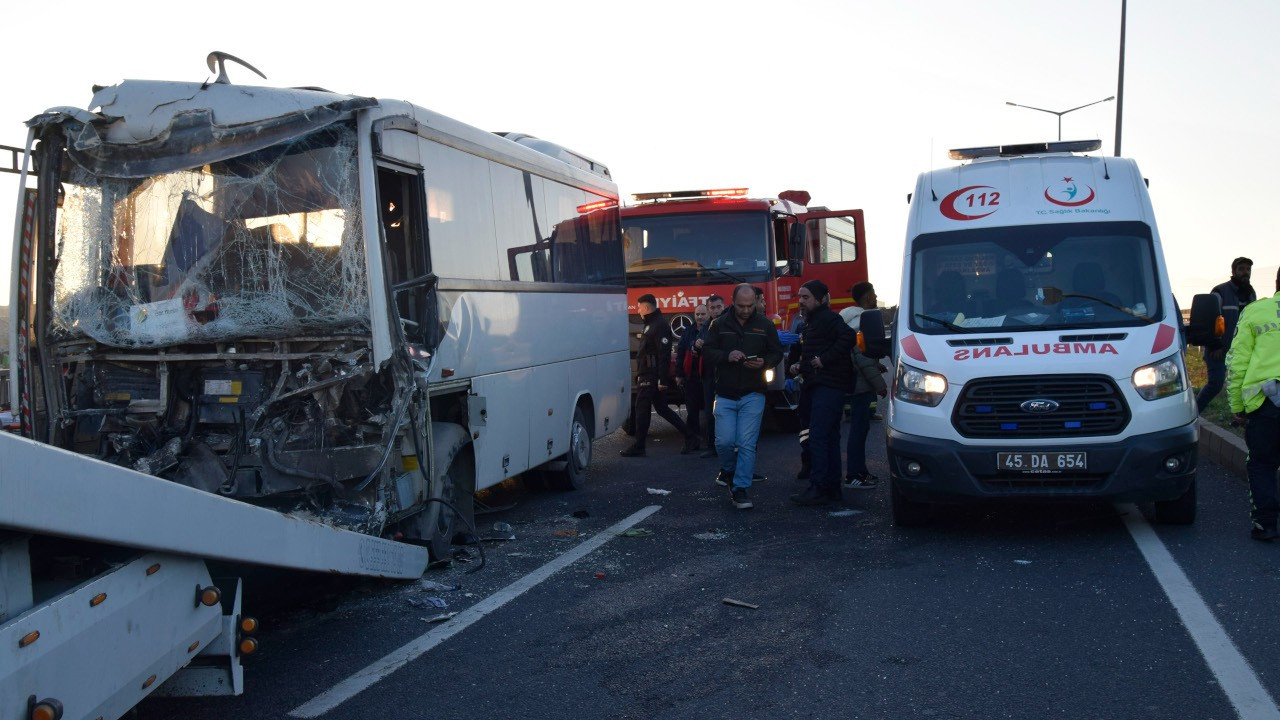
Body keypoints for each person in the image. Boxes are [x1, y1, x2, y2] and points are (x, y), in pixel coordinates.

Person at [701, 284, 783, 509]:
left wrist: (764, 363)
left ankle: (740, 489)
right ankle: (728, 471)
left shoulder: (765, 325)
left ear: (755, 302)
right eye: (741, 306)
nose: (746, 310)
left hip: (753, 392)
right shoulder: (718, 325)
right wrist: (728, 355)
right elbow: (707, 353)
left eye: (750, 305)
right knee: (724, 442)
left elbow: (776, 352)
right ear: (732, 301)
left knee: (747, 444)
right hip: (725, 393)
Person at [788, 280, 855, 506]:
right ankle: (832, 487)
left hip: (829, 387)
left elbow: (849, 337)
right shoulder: (811, 322)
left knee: (818, 437)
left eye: (806, 297)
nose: (801, 301)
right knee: (828, 437)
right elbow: (813, 352)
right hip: (818, 385)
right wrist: (801, 365)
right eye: (800, 297)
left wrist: (824, 359)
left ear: (820, 299)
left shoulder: (828, 318)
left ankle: (818, 487)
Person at [1226, 266, 1280, 541]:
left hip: (1267, 402)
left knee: (1262, 463)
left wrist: (1236, 406)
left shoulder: (1257, 312)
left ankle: (1266, 524)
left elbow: (1237, 362)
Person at [620, 294, 700, 457]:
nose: (638, 310)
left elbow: (663, 354)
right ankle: (691, 436)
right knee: (662, 409)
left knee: (642, 407)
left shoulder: (659, 325)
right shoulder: (650, 324)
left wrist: (662, 379)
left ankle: (639, 446)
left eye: (640, 307)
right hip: (648, 373)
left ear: (647, 307)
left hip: (651, 375)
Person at [840, 281, 886, 490]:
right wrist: (880, 385)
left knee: (859, 429)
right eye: (873, 293)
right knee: (859, 430)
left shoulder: (847, 317)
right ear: (866, 297)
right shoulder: (862, 321)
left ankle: (860, 472)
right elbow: (863, 358)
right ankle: (854, 474)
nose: (875, 297)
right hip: (860, 386)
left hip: (851, 381)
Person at [1199, 257, 1257, 414]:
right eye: (1242, 269)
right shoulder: (1219, 292)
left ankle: (1241, 417)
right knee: (1215, 385)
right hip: (1219, 349)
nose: (1246, 272)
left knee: (1245, 385)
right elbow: (1209, 319)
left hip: (1241, 351)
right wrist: (1215, 345)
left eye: (1248, 269)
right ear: (1233, 271)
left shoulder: (1251, 294)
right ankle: (1193, 413)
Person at [694, 294, 725, 458]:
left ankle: (727, 446)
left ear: (724, 306)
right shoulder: (706, 325)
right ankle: (712, 446)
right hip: (708, 375)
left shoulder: (729, 322)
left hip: (726, 374)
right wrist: (697, 344)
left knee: (725, 411)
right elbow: (697, 343)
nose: (716, 311)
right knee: (709, 412)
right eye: (712, 308)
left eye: (719, 307)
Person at [674, 304, 709, 440]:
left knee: (709, 409)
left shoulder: (712, 330)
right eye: (697, 314)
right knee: (692, 409)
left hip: (708, 375)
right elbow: (681, 353)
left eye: (703, 314)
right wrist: (679, 374)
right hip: (692, 376)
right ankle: (692, 439)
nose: (700, 317)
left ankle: (712, 439)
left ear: (708, 315)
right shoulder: (688, 331)